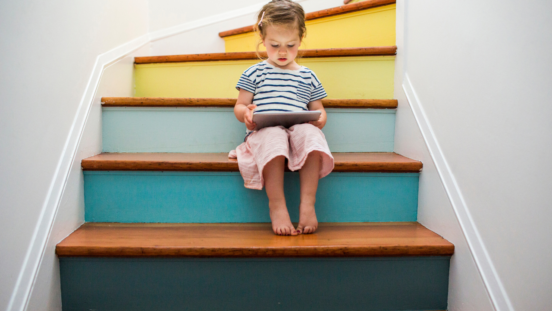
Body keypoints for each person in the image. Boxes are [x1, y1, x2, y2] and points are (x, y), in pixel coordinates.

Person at [229, 0, 334, 236]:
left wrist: (320, 120)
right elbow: (240, 105)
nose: (283, 52)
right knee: (274, 136)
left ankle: (308, 204)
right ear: (262, 39)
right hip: (265, 131)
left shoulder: (307, 75)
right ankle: (277, 205)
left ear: (301, 38)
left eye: (291, 45)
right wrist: (245, 113)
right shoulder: (255, 72)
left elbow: (319, 109)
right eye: (274, 45)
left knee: (311, 134)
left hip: (297, 130)